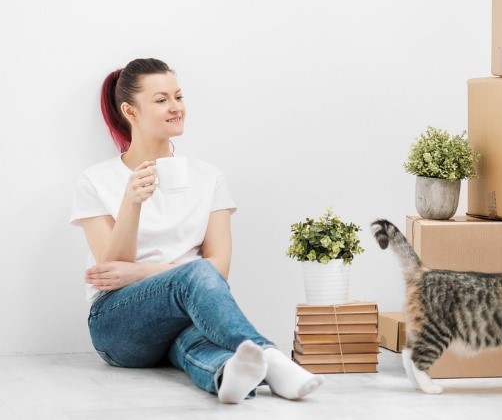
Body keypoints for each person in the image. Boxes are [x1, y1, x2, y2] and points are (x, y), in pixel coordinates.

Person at [70, 58, 323, 403]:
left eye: (178, 96)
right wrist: (132, 203)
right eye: (161, 100)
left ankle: (229, 377)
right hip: (118, 325)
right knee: (196, 273)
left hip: (186, 315)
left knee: (194, 338)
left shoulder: (209, 177)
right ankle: (272, 358)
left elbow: (219, 268)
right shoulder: (96, 180)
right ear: (130, 111)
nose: (176, 108)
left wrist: (142, 271)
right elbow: (110, 271)